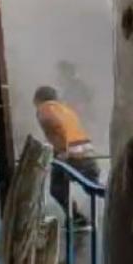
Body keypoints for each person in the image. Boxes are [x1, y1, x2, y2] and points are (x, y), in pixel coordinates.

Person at [33, 86, 100, 229]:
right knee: (94, 187)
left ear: (38, 99)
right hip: (86, 151)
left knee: (58, 189)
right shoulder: (65, 109)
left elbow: (54, 126)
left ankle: (77, 219)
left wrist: (62, 150)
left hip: (71, 154)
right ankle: (77, 218)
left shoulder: (44, 110)